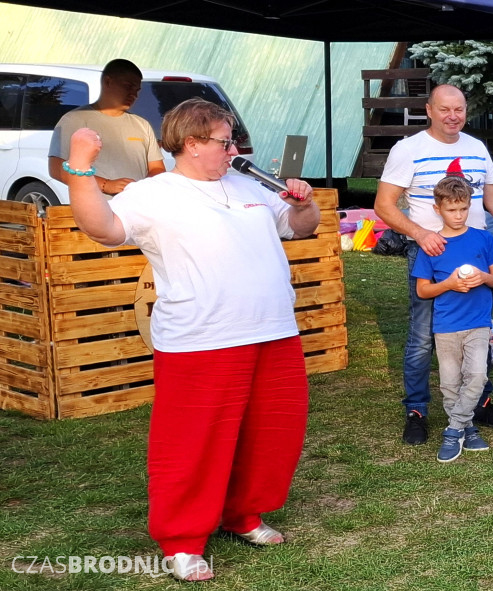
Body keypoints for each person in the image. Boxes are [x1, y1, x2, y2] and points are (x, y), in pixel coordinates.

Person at [62, 98, 320, 582]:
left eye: (233, 140)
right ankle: (182, 539)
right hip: (200, 339)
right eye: (224, 142)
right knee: (192, 443)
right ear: (192, 143)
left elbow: (300, 228)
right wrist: (80, 166)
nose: (233, 149)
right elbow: (102, 228)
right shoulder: (154, 193)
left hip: (272, 331)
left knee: (270, 433)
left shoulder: (249, 185)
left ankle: (242, 514)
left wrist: (304, 204)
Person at [374, 84, 493, 446]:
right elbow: (384, 205)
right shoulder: (409, 149)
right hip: (432, 252)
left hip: (476, 252)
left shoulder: (476, 147)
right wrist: (421, 234)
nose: (453, 116)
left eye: (459, 109)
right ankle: (417, 410)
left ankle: (478, 403)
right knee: (424, 337)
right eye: (445, 109)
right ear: (429, 110)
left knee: (476, 330)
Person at [411, 176, 493, 462]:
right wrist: (449, 284)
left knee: (476, 375)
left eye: (463, 208)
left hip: (477, 323)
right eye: (452, 210)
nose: (459, 215)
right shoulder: (433, 246)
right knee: (449, 384)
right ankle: (469, 428)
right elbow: (423, 289)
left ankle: (453, 430)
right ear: (438, 209)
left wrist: (483, 278)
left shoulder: (483, 238)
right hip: (446, 325)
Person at [49, 59, 165, 196]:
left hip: (135, 209)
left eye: (137, 90)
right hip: (94, 209)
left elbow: (157, 168)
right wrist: (106, 184)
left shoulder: (142, 124)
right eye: (128, 86)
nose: (133, 94)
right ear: (107, 81)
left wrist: (140, 189)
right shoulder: (75, 119)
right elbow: (56, 168)